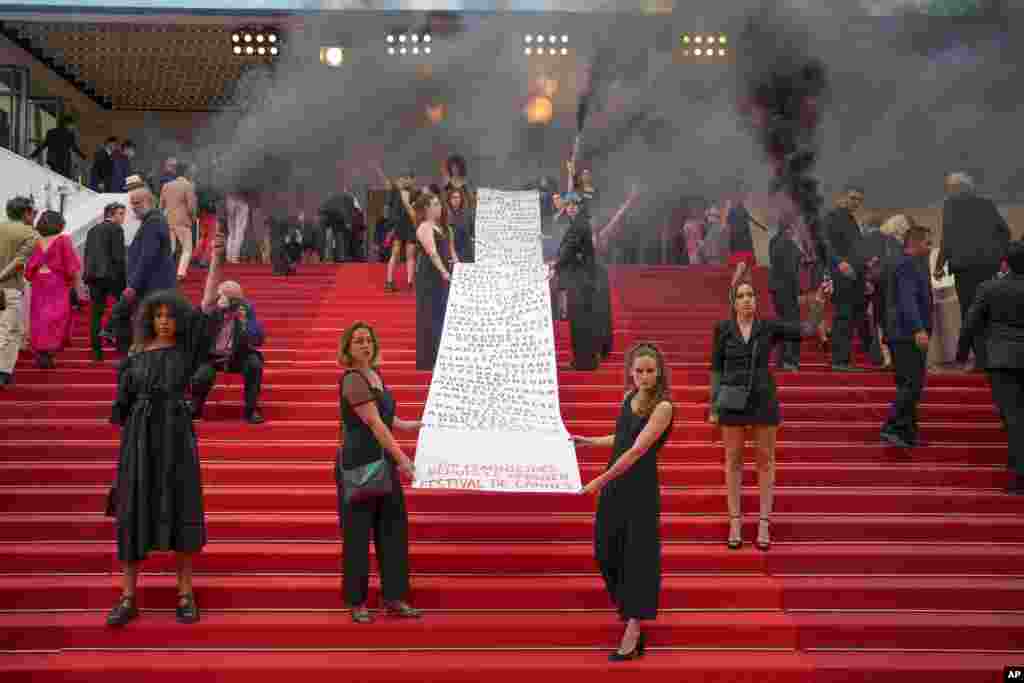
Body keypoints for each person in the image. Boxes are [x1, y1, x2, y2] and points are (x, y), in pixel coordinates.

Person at [105, 228, 227, 628]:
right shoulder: (134, 357)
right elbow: (120, 411)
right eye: (156, 315)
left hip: (175, 434)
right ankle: (127, 597)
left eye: (168, 316)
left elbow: (206, 307)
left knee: (181, 505)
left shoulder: (185, 351)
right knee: (133, 510)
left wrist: (217, 260)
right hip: (138, 440)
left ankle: (185, 594)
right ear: (148, 319)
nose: (162, 321)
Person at [573, 343, 674, 661]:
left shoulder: (663, 407)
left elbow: (636, 452)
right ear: (631, 372)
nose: (645, 377)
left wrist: (598, 481)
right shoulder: (628, 398)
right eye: (639, 371)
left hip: (639, 488)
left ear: (659, 373)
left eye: (650, 371)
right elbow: (621, 440)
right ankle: (629, 608)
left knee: (638, 557)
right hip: (615, 485)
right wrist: (588, 441)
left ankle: (633, 625)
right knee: (605, 549)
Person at [709, 281, 826, 551]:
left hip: (763, 398)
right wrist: (713, 407)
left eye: (751, 294)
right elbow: (715, 369)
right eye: (741, 296)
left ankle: (764, 522)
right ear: (733, 302)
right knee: (733, 460)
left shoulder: (768, 328)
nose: (747, 299)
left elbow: (806, 330)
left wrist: (819, 303)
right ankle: (735, 521)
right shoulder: (723, 329)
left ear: (756, 300)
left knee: (765, 460)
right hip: (731, 399)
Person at [336, 321, 422, 623]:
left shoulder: (375, 375)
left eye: (369, 340)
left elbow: (386, 415)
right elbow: (374, 424)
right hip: (360, 462)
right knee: (357, 534)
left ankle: (395, 597)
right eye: (358, 341)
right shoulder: (352, 380)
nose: (365, 345)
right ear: (348, 349)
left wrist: (408, 425)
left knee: (393, 531)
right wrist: (404, 460)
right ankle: (357, 601)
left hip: (382, 461)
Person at [955, 240, 1024, 495]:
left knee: (1013, 417)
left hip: (1002, 361)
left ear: (1005, 263)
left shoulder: (989, 287)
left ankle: (1019, 474)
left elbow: (970, 323)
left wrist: (961, 354)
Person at [934, 172, 1011, 371]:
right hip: (988, 267)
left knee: (971, 312)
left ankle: (981, 360)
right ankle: (991, 359)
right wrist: (1002, 258)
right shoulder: (987, 203)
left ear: (957, 188)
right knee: (989, 311)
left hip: (964, 268)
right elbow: (1005, 232)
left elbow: (947, 237)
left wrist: (938, 265)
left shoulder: (950, 205)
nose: (948, 191)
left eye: (950, 187)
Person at [879, 225, 934, 449]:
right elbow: (907, 300)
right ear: (916, 243)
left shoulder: (900, 262)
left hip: (899, 333)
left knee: (907, 384)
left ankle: (907, 434)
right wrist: (918, 329)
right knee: (912, 384)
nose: (930, 248)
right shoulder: (908, 264)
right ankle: (892, 427)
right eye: (928, 243)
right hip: (906, 334)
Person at [105, 185, 177, 353]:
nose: (134, 207)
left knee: (145, 325)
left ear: (150, 201)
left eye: (137, 203)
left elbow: (147, 257)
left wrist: (133, 285)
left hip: (152, 287)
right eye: (132, 203)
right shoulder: (153, 221)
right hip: (152, 285)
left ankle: (139, 360)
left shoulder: (153, 222)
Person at [190, 280, 267, 424]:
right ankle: (195, 407)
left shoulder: (246, 310)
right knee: (202, 374)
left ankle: (252, 409)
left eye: (237, 300)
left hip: (237, 355)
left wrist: (244, 322)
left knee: (254, 364)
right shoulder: (209, 311)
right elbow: (195, 332)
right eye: (230, 299)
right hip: (211, 357)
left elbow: (258, 340)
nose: (233, 304)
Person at [24, 211, 83, 369]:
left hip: (38, 282)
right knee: (57, 317)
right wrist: (78, 288)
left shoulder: (36, 241)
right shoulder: (63, 240)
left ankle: (41, 352)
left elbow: (29, 270)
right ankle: (48, 351)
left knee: (39, 318)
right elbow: (72, 266)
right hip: (57, 282)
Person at [824, 186, 872, 371]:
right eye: (852, 198)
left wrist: (865, 270)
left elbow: (855, 248)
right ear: (841, 197)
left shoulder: (850, 219)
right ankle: (839, 360)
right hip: (843, 275)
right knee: (843, 317)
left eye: (859, 200)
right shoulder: (832, 217)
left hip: (856, 276)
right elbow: (825, 244)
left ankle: (848, 358)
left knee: (853, 317)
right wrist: (839, 263)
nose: (856, 203)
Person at [550, 192, 599, 371]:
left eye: (574, 205)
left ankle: (583, 362)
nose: (571, 208)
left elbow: (569, 248)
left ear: (579, 207)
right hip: (581, 278)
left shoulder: (579, 225)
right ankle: (585, 360)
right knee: (582, 321)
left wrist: (555, 265)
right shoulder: (578, 223)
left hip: (581, 279)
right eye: (568, 205)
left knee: (580, 322)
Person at [414, 192, 457, 371]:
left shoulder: (442, 227)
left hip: (441, 275)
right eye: (435, 204)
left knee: (441, 315)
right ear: (426, 209)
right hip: (430, 276)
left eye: (439, 203)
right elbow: (432, 252)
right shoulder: (424, 226)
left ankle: (440, 356)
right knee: (430, 315)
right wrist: (444, 272)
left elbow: (451, 252)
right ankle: (428, 360)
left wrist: (457, 267)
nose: (439, 207)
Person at [0, 196, 38, 388]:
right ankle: (3, 371)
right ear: (26, 213)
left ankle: (5, 371)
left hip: (7, 287)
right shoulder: (31, 234)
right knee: (9, 330)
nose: (35, 216)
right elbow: (19, 261)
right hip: (10, 287)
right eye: (33, 212)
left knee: (12, 329)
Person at [84, 202, 127, 362]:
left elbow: (88, 254)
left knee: (96, 314)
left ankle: (96, 352)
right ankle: (118, 341)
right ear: (111, 214)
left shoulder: (93, 230)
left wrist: (87, 276)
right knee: (124, 307)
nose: (123, 217)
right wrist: (125, 278)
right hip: (112, 276)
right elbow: (118, 257)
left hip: (93, 277)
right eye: (121, 214)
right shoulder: (116, 229)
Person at [768, 222, 803, 371]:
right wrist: (799, 291)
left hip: (777, 291)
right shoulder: (788, 245)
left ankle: (781, 360)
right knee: (793, 325)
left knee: (783, 324)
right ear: (788, 229)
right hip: (788, 291)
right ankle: (790, 361)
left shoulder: (774, 243)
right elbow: (791, 272)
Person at [380, 169, 418, 293]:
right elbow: (387, 209)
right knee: (395, 254)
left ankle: (410, 283)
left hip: (411, 226)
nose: (406, 180)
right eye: (404, 178)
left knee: (410, 255)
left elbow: (416, 211)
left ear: (413, 180)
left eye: (409, 178)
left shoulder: (416, 193)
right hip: (399, 225)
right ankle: (389, 282)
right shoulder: (395, 192)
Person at [160, 162, 198, 281]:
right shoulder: (188, 186)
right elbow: (191, 207)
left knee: (170, 249)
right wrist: (193, 218)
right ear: (186, 173)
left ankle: (165, 272)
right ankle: (180, 273)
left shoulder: (166, 185)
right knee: (187, 249)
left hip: (168, 220)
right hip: (182, 221)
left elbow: (161, 206)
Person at [446, 187, 474, 263]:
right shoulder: (445, 215)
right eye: (453, 197)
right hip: (452, 252)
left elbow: (472, 232)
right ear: (449, 199)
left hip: (466, 252)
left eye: (458, 197)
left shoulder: (467, 214)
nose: (456, 200)